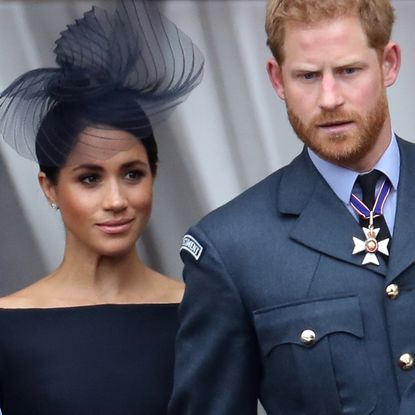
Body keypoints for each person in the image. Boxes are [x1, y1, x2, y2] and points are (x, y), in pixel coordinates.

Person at [169, 0, 415, 414]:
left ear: (389, 64)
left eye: (348, 71)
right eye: (307, 76)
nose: (329, 98)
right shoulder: (230, 248)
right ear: (277, 79)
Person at [0, 1, 203, 414]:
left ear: (154, 173)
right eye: (89, 178)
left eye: (132, 174)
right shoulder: (7, 326)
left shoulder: (201, 315)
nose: (116, 201)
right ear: (49, 187)